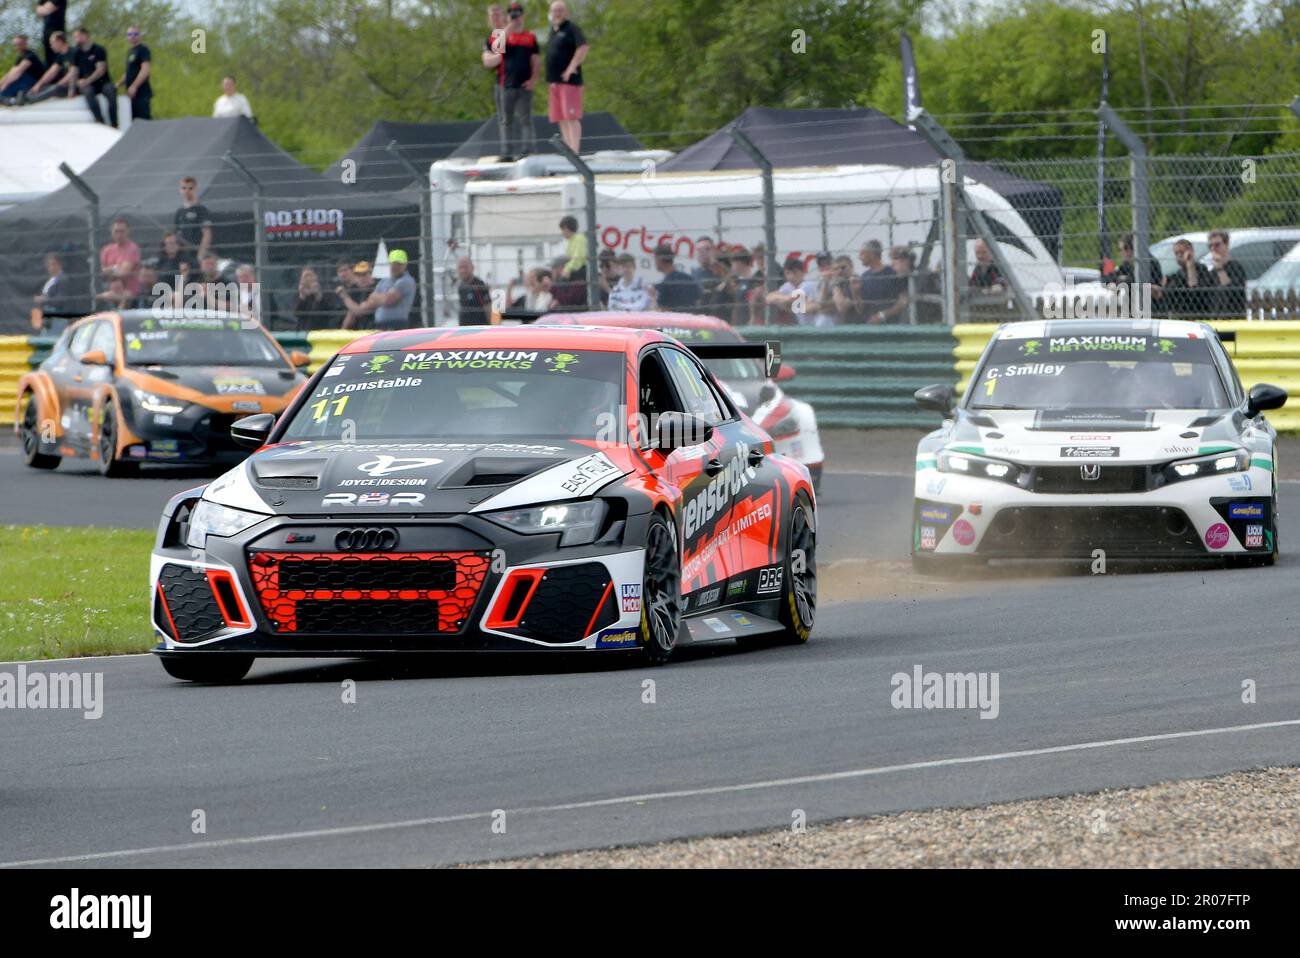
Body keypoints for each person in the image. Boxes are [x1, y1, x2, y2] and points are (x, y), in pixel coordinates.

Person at [489, 2, 539, 161]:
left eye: (517, 14)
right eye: (511, 14)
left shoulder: (530, 36)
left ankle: (527, 150)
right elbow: (495, 48)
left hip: (524, 84)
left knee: (526, 119)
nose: (515, 17)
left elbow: (536, 60)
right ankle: (507, 152)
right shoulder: (503, 34)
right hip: (506, 84)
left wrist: (534, 79)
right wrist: (508, 28)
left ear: (522, 16)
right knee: (506, 120)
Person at [545, 1, 588, 154]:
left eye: (560, 10)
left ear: (566, 12)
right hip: (554, 82)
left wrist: (572, 67)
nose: (557, 13)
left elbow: (583, 47)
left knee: (571, 116)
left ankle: (575, 151)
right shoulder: (553, 30)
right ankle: (568, 150)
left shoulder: (572, 28)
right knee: (561, 117)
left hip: (569, 82)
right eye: (554, 10)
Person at [341, 251, 418, 330]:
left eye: (364, 274)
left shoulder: (406, 280)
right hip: (377, 327)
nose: (395, 267)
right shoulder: (384, 281)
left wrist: (376, 297)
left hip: (396, 325)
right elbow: (361, 309)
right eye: (359, 275)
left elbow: (387, 299)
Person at [72, 26, 116, 127]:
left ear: (86, 36)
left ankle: (114, 123)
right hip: (87, 84)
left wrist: (87, 81)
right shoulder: (76, 53)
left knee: (110, 91)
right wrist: (73, 88)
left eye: (78, 36)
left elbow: (100, 70)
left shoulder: (98, 50)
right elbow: (74, 71)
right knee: (88, 92)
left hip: (101, 81)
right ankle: (100, 121)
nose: (76, 39)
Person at [1162, 238, 1214, 316]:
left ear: (1191, 252)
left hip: (1200, 312)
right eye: (1176, 253)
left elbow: (1195, 288)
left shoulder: (1202, 269)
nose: (1179, 255)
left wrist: (1189, 262)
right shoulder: (1176, 276)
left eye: (1182, 252)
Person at [764, 256, 819, 326]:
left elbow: (792, 299)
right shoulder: (788, 286)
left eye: (795, 272)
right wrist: (785, 299)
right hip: (803, 328)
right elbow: (769, 297)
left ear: (803, 272)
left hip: (817, 327)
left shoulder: (808, 285)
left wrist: (782, 300)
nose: (791, 276)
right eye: (788, 273)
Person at [868, 246, 915, 324]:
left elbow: (902, 303)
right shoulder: (898, 280)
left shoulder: (918, 278)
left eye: (896, 259)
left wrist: (882, 315)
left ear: (906, 261)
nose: (892, 264)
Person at [1208, 229, 1248, 316]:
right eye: (1210, 246)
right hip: (1215, 318)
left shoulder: (1236, 267)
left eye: (1217, 245)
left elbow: (1235, 294)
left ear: (1226, 244)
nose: (1213, 248)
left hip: (1233, 318)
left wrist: (1220, 268)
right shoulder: (1211, 272)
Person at [652, 244, 702, 312]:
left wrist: (653, 297)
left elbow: (662, 311)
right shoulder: (689, 279)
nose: (654, 263)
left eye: (655, 259)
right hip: (691, 320)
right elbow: (699, 300)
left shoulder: (664, 285)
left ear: (660, 260)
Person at [856, 239, 898, 321]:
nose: (859, 257)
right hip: (870, 327)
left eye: (862, 253)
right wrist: (856, 292)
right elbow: (861, 309)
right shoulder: (864, 277)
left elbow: (901, 302)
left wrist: (881, 316)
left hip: (892, 325)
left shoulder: (891, 273)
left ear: (872, 254)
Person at [100, 218, 141, 298]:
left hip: (129, 291)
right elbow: (101, 272)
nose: (119, 234)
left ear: (128, 232)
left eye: (122, 231)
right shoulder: (106, 250)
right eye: (116, 231)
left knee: (106, 297)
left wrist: (110, 270)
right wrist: (115, 269)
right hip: (109, 289)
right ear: (111, 232)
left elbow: (123, 273)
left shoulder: (132, 249)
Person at [0, 35, 43, 102]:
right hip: (24, 80)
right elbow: (10, 73)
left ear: (25, 44)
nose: (17, 47)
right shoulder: (20, 58)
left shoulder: (30, 56)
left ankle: (12, 100)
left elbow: (18, 72)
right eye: (15, 45)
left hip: (33, 81)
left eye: (19, 44)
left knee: (3, 92)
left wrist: (5, 85)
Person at [453, 255, 491, 326]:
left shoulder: (479, 285)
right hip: (463, 329)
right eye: (460, 267)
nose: (463, 270)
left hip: (478, 329)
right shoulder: (461, 286)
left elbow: (488, 307)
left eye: (465, 267)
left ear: (472, 268)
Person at [123, 26, 151, 121]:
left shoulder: (143, 49)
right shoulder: (130, 51)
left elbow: (145, 70)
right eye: (130, 34)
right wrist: (119, 83)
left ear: (139, 36)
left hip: (141, 92)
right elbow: (130, 71)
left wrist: (134, 86)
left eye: (135, 34)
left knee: (143, 121)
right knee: (132, 121)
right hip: (130, 93)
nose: (132, 36)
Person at [35, 0, 65, 68]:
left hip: (57, 34)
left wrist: (44, 8)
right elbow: (38, 11)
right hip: (46, 34)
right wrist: (45, 8)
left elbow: (49, 9)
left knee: (57, 59)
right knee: (48, 61)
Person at [558, 215, 587, 281]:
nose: (562, 233)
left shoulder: (579, 238)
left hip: (581, 270)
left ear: (567, 228)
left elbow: (578, 259)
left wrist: (567, 269)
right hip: (574, 269)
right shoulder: (571, 241)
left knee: (561, 281)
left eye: (562, 229)